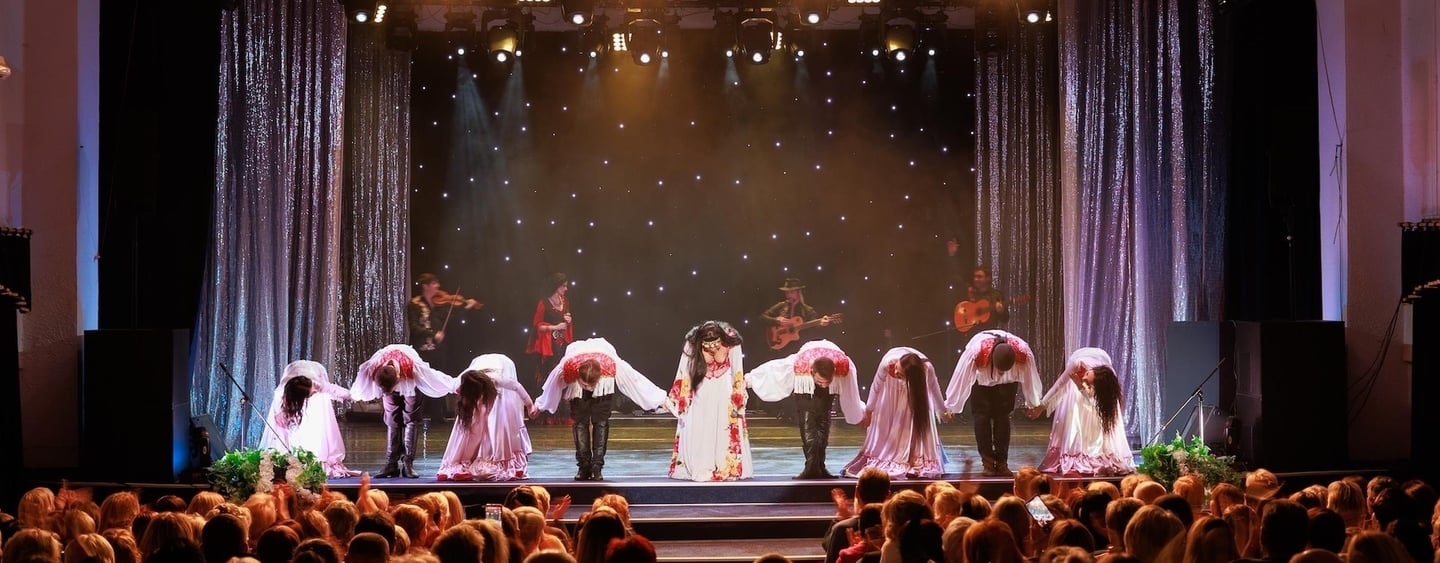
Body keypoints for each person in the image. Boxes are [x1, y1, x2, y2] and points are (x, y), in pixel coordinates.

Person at [535, 337, 668, 481]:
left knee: (601, 421)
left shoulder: (610, 365)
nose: (589, 389)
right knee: (580, 421)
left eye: (592, 385)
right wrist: (539, 406)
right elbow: (551, 386)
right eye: (585, 385)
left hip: (604, 380)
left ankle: (597, 466)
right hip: (578, 374)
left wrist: (660, 399)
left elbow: (636, 380)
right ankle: (584, 466)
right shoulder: (568, 368)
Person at [747, 339, 866, 479]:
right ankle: (811, 467)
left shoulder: (844, 365)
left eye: (827, 382)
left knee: (823, 427)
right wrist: (749, 379)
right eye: (820, 382)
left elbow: (852, 392)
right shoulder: (799, 363)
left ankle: (820, 466)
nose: (823, 385)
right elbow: (774, 369)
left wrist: (860, 411)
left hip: (827, 376)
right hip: (805, 387)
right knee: (809, 426)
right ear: (812, 371)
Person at [945, 330, 1043, 477]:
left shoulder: (1023, 352)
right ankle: (988, 463)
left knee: (1003, 415)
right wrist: (951, 406)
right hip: (981, 381)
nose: (1001, 374)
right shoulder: (977, 352)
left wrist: (1034, 403)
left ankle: (1002, 462)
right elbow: (960, 378)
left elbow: (1031, 378)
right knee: (981, 416)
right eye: (1000, 370)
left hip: (1008, 384)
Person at [350, 344, 455, 478]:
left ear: (398, 378)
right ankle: (391, 464)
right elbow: (359, 386)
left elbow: (435, 378)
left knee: (411, 419)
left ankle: (407, 464)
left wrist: (454, 385)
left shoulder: (414, 368)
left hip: (412, 384)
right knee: (392, 419)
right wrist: (350, 395)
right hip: (390, 377)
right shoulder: (373, 367)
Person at [842, 347, 949, 479]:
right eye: (897, 368)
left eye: (900, 375)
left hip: (911, 391)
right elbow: (876, 387)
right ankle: (892, 453)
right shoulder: (888, 363)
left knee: (911, 423)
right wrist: (869, 411)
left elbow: (934, 389)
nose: (896, 372)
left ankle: (913, 458)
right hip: (890, 392)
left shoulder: (926, 368)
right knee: (889, 426)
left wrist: (943, 411)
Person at [1024, 347, 1134, 476]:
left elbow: (1094, 402)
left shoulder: (1108, 381)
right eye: (1086, 380)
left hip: (1096, 378)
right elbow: (1059, 385)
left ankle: (1098, 453)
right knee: (1078, 417)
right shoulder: (1078, 364)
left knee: (1097, 416)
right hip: (1080, 371)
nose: (1084, 380)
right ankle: (1080, 450)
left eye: (1089, 384)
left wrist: (1080, 386)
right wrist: (1042, 406)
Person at [666, 321, 752, 481]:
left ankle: (725, 466)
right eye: (707, 346)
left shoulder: (732, 342)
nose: (712, 349)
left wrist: (738, 399)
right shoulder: (692, 343)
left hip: (723, 388)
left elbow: (737, 373)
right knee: (700, 425)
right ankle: (700, 464)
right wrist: (682, 400)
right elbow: (684, 373)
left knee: (724, 426)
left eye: (716, 345)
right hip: (700, 387)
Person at [438, 354, 534, 481]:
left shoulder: (495, 380)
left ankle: (493, 457)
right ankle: (463, 460)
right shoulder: (463, 382)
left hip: (501, 364)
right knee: (473, 422)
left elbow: (517, 387)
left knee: (496, 419)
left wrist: (530, 405)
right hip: (478, 368)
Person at [259, 360, 358, 478]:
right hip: (293, 371)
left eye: (312, 393)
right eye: (310, 394)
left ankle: (313, 456)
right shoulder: (282, 391)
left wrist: (355, 395)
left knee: (316, 411)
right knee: (282, 423)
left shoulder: (316, 384)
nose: (314, 392)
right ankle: (289, 457)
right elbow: (280, 409)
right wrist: (281, 414)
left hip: (315, 370)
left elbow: (334, 390)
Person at [408, 272, 480, 418]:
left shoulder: (439, 305)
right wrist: (432, 334)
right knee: (420, 382)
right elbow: (414, 327)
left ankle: (436, 415)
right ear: (425, 286)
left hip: (438, 350)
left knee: (438, 380)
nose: (438, 286)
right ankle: (417, 415)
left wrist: (467, 306)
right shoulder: (414, 304)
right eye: (434, 283)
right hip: (422, 350)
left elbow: (453, 314)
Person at [761, 278, 835, 351]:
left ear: (799, 293)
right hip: (781, 348)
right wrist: (776, 320)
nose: (788, 295)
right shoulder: (781, 306)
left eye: (792, 292)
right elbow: (762, 317)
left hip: (800, 348)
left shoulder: (807, 310)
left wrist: (822, 324)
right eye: (787, 293)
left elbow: (816, 327)